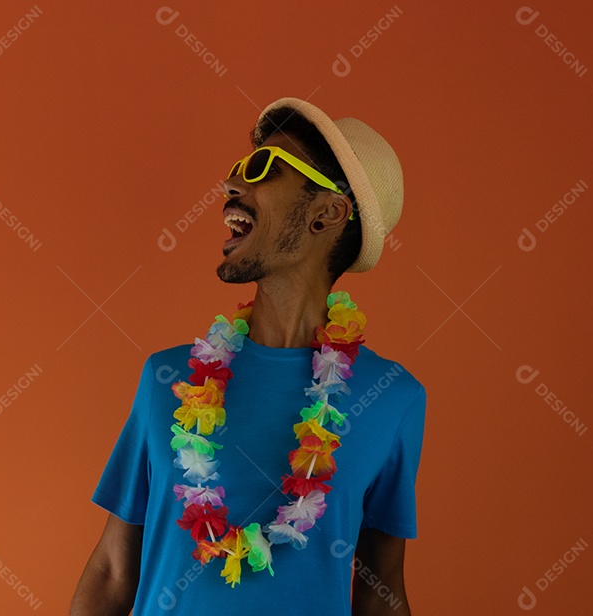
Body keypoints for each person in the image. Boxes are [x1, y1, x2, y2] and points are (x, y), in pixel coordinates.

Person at [70, 97, 426, 615]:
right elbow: (112, 570)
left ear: (327, 212)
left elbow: (382, 590)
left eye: (262, 169)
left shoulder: (393, 399)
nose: (232, 185)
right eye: (239, 168)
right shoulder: (167, 381)